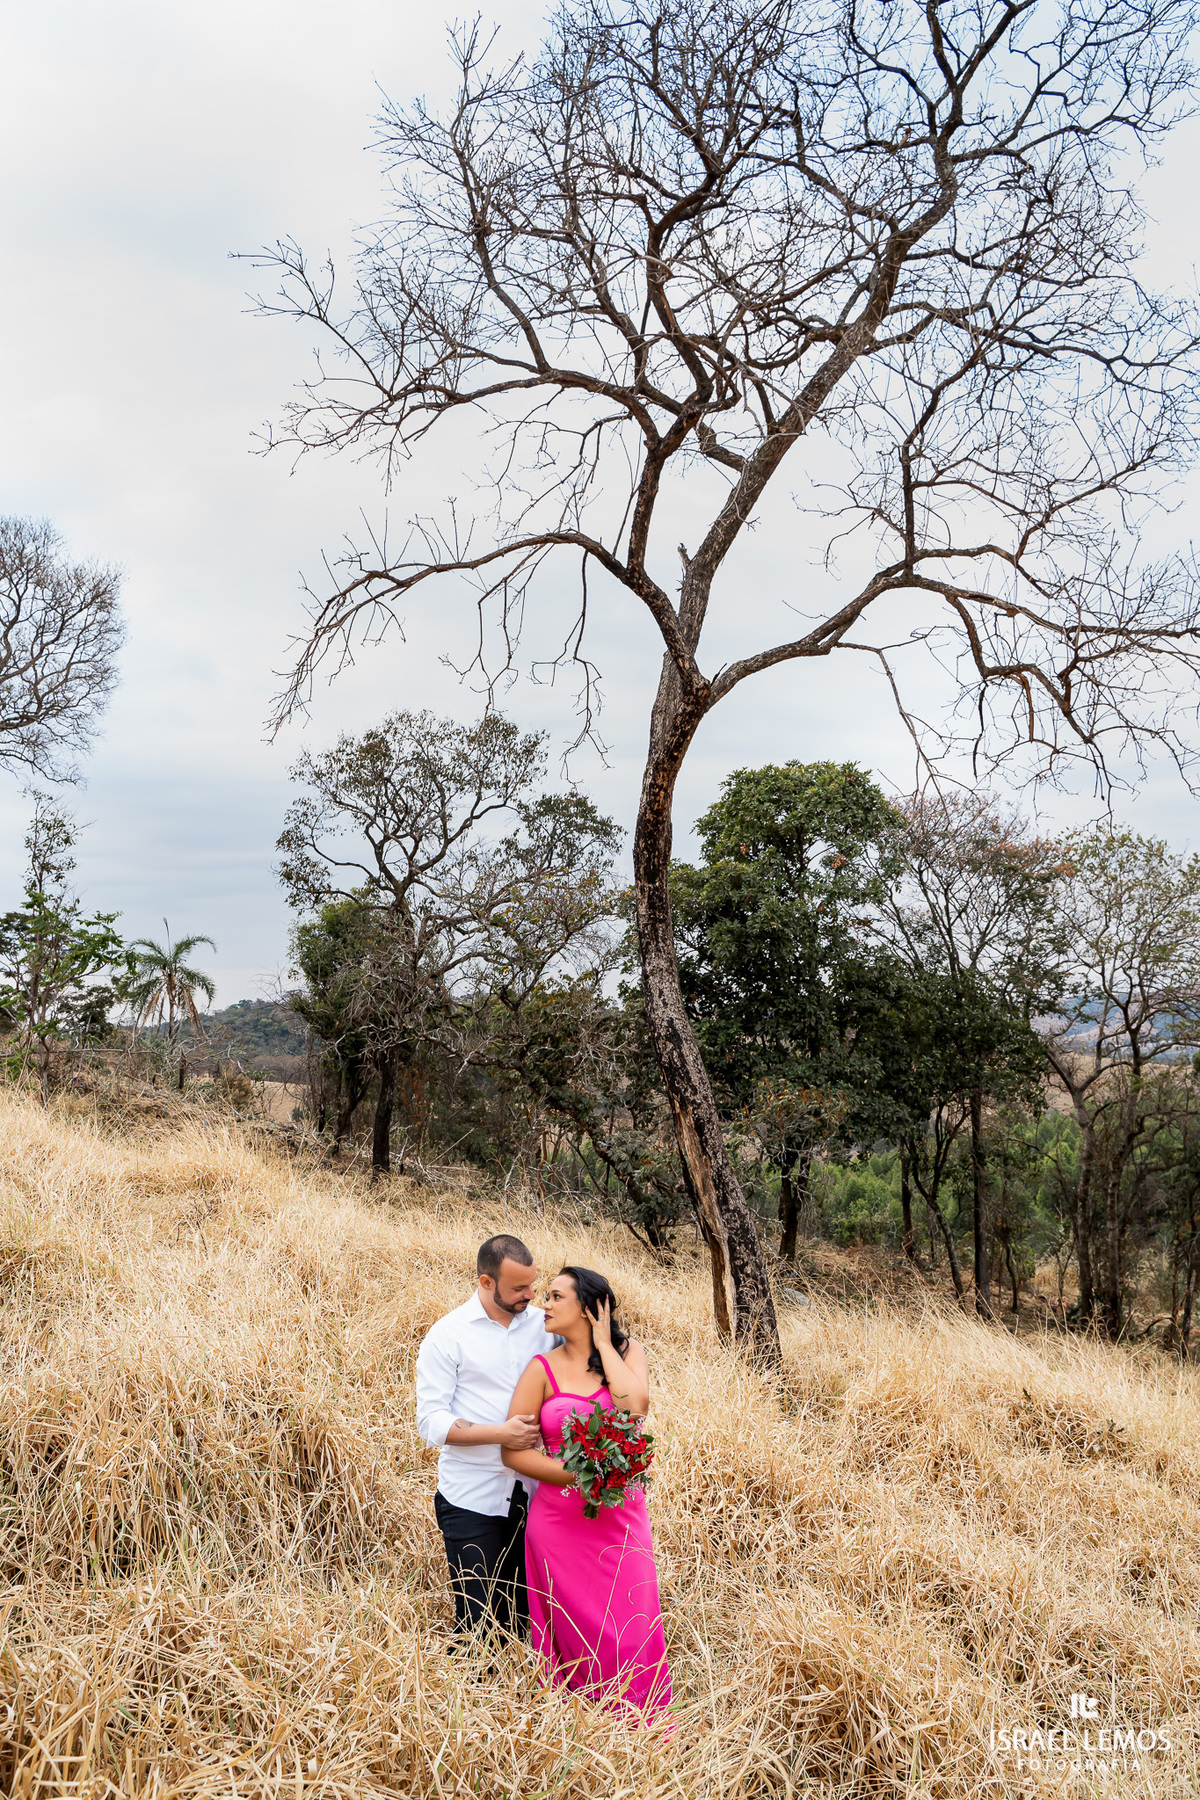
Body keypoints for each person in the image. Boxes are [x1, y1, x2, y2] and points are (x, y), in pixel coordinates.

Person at [501, 1265, 671, 1719]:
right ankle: (579, 1725)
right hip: (557, 1523)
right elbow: (513, 1453)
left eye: (557, 1296)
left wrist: (601, 1345)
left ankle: (639, 1721)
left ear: (591, 1307)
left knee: (633, 1618)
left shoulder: (628, 1352)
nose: (545, 1304)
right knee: (573, 1627)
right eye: (547, 1296)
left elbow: (634, 1407)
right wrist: (579, 1477)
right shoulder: (541, 1369)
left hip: (621, 1516)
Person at [415, 1234, 558, 1638]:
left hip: (535, 1495)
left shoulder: (545, 1327)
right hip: (471, 1499)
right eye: (518, 1288)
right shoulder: (448, 1335)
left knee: (522, 1620)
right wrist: (503, 1434)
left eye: (532, 1284)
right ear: (485, 1283)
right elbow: (431, 1421)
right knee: (477, 1621)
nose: (530, 1295)